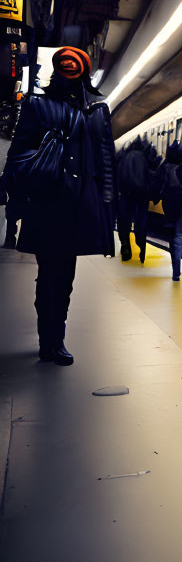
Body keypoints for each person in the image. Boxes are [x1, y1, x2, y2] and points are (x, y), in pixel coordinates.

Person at [1, 47, 116, 365]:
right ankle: (50, 341)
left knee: (61, 277)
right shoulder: (40, 106)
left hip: (76, 206)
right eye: (65, 67)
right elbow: (20, 153)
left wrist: (107, 209)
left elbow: (105, 164)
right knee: (53, 275)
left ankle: (55, 339)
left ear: (83, 73)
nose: (70, 71)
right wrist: (13, 193)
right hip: (49, 203)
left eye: (74, 67)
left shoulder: (95, 111)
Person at [152, 141, 182, 281]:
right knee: (179, 237)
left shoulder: (164, 167)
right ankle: (176, 272)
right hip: (178, 205)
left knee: (172, 238)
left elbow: (156, 183)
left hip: (167, 205)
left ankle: (175, 268)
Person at [115, 135, 159, 262]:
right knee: (141, 220)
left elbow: (117, 175)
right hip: (142, 195)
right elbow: (152, 175)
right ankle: (142, 247)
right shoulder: (145, 157)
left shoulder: (124, 157)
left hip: (125, 194)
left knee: (124, 221)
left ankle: (126, 246)